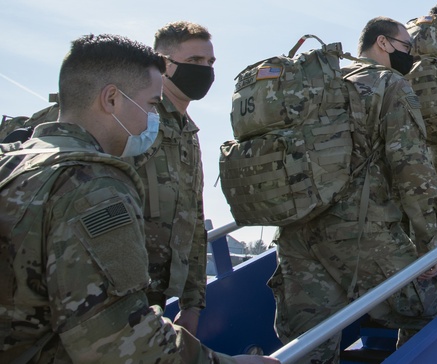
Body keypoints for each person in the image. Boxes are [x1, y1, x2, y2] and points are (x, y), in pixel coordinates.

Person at [0, 33, 274, 364]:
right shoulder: (92, 187)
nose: (154, 119)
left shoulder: (14, 160)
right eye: (152, 105)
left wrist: (192, 302)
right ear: (111, 99)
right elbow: (118, 344)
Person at [268, 18, 437, 364]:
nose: (411, 55)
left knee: (308, 349)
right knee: (430, 315)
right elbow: (413, 171)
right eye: (407, 47)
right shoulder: (388, 84)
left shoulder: (319, 83)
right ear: (383, 42)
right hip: (360, 230)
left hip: (296, 233)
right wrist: (430, 246)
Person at [132, 21, 216, 335]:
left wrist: (192, 305)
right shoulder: (139, 120)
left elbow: (195, 222)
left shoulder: (189, 133)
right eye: (195, 61)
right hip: (119, 294)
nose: (205, 70)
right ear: (165, 65)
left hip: (159, 297)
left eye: (209, 63)